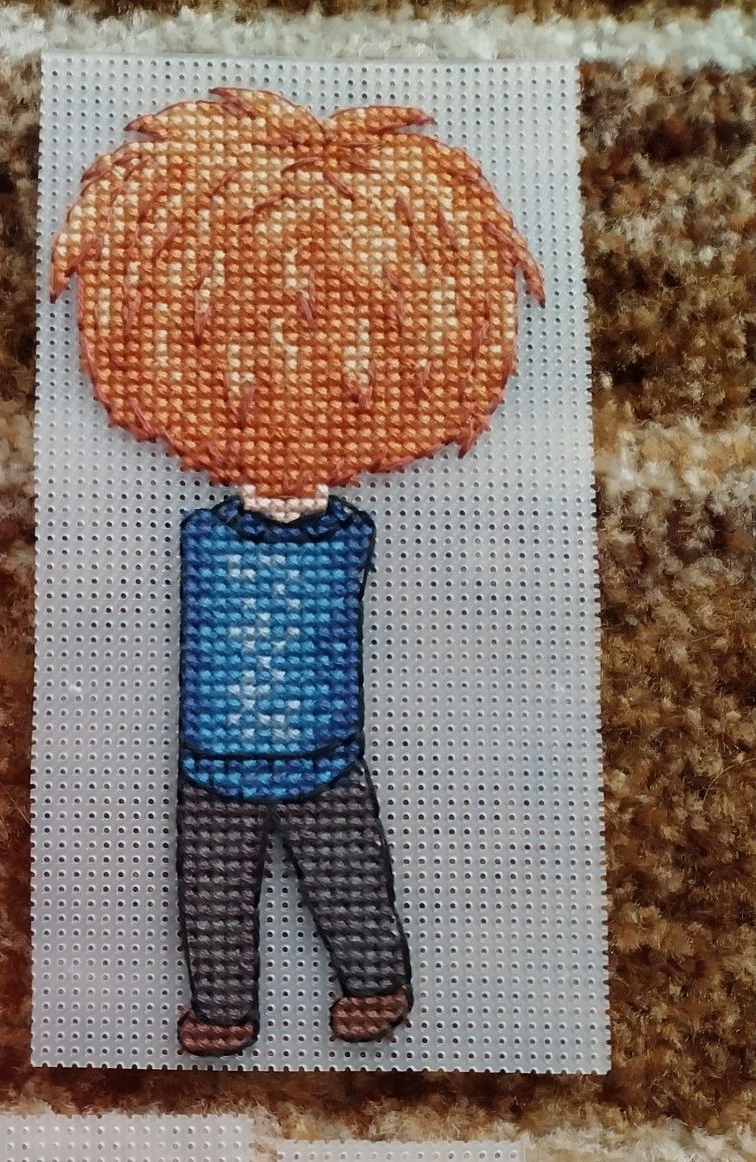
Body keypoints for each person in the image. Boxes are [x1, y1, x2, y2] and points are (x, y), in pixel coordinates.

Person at [53, 90, 542, 1054]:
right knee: (212, 888)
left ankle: (375, 983)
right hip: (211, 757)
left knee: (343, 875)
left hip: (323, 754)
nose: (272, 397)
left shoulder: (339, 535)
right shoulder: (207, 534)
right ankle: (222, 1007)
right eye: (227, 350)